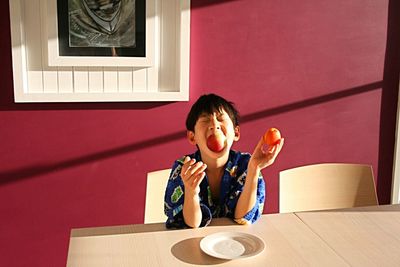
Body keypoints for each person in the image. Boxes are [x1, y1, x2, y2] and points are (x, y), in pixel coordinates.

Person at [164, 94, 284, 228]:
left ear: (236, 133)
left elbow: (242, 217)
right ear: (192, 137)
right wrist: (191, 191)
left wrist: (254, 169)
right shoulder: (184, 169)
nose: (214, 125)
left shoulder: (246, 165)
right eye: (205, 120)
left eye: (221, 119)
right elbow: (192, 225)